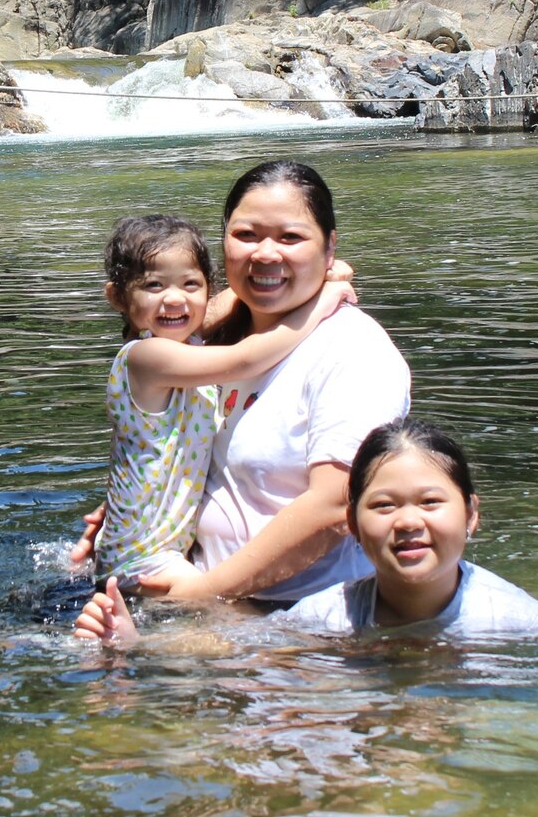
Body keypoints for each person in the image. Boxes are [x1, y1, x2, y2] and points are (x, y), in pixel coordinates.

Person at [79, 418, 538, 688]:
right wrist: (136, 643)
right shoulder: (335, 609)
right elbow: (245, 646)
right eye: (385, 505)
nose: (409, 522)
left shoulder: (502, 613)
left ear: (472, 515)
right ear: (354, 526)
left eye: (431, 502)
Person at [72, 160, 412, 605]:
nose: (265, 253)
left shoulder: (352, 349)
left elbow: (334, 506)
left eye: (291, 237)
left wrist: (202, 594)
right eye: (246, 235)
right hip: (178, 581)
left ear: (328, 248)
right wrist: (126, 511)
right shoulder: (212, 338)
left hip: (290, 615)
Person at [94, 214, 355, 582]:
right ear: (118, 297)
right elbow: (247, 359)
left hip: (162, 546)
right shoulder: (146, 358)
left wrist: (316, 270)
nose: (175, 299)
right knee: (229, 631)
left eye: (190, 284)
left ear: (208, 288)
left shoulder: (186, 339)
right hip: (143, 557)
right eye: (153, 285)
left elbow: (237, 295)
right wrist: (323, 300)